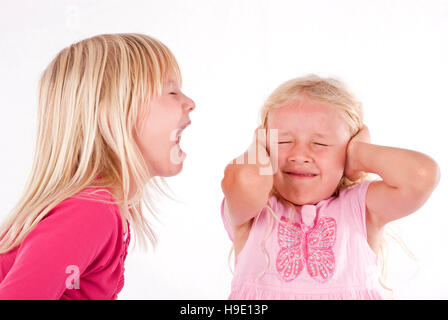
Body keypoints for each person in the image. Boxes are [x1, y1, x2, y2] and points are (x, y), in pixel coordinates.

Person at [0, 33, 195, 299]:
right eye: (171, 92)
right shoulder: (91, 212)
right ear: (112, 115)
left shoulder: (100, 209)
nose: (189, 103)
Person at [221, 74, 440, 299]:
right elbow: (245, 179)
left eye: (320, 144)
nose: (299, 155)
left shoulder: (360, 207)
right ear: (266, 147)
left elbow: (421, 175)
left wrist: (358, 156)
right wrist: (258, 143)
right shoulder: (255, 211)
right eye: (283, 142)